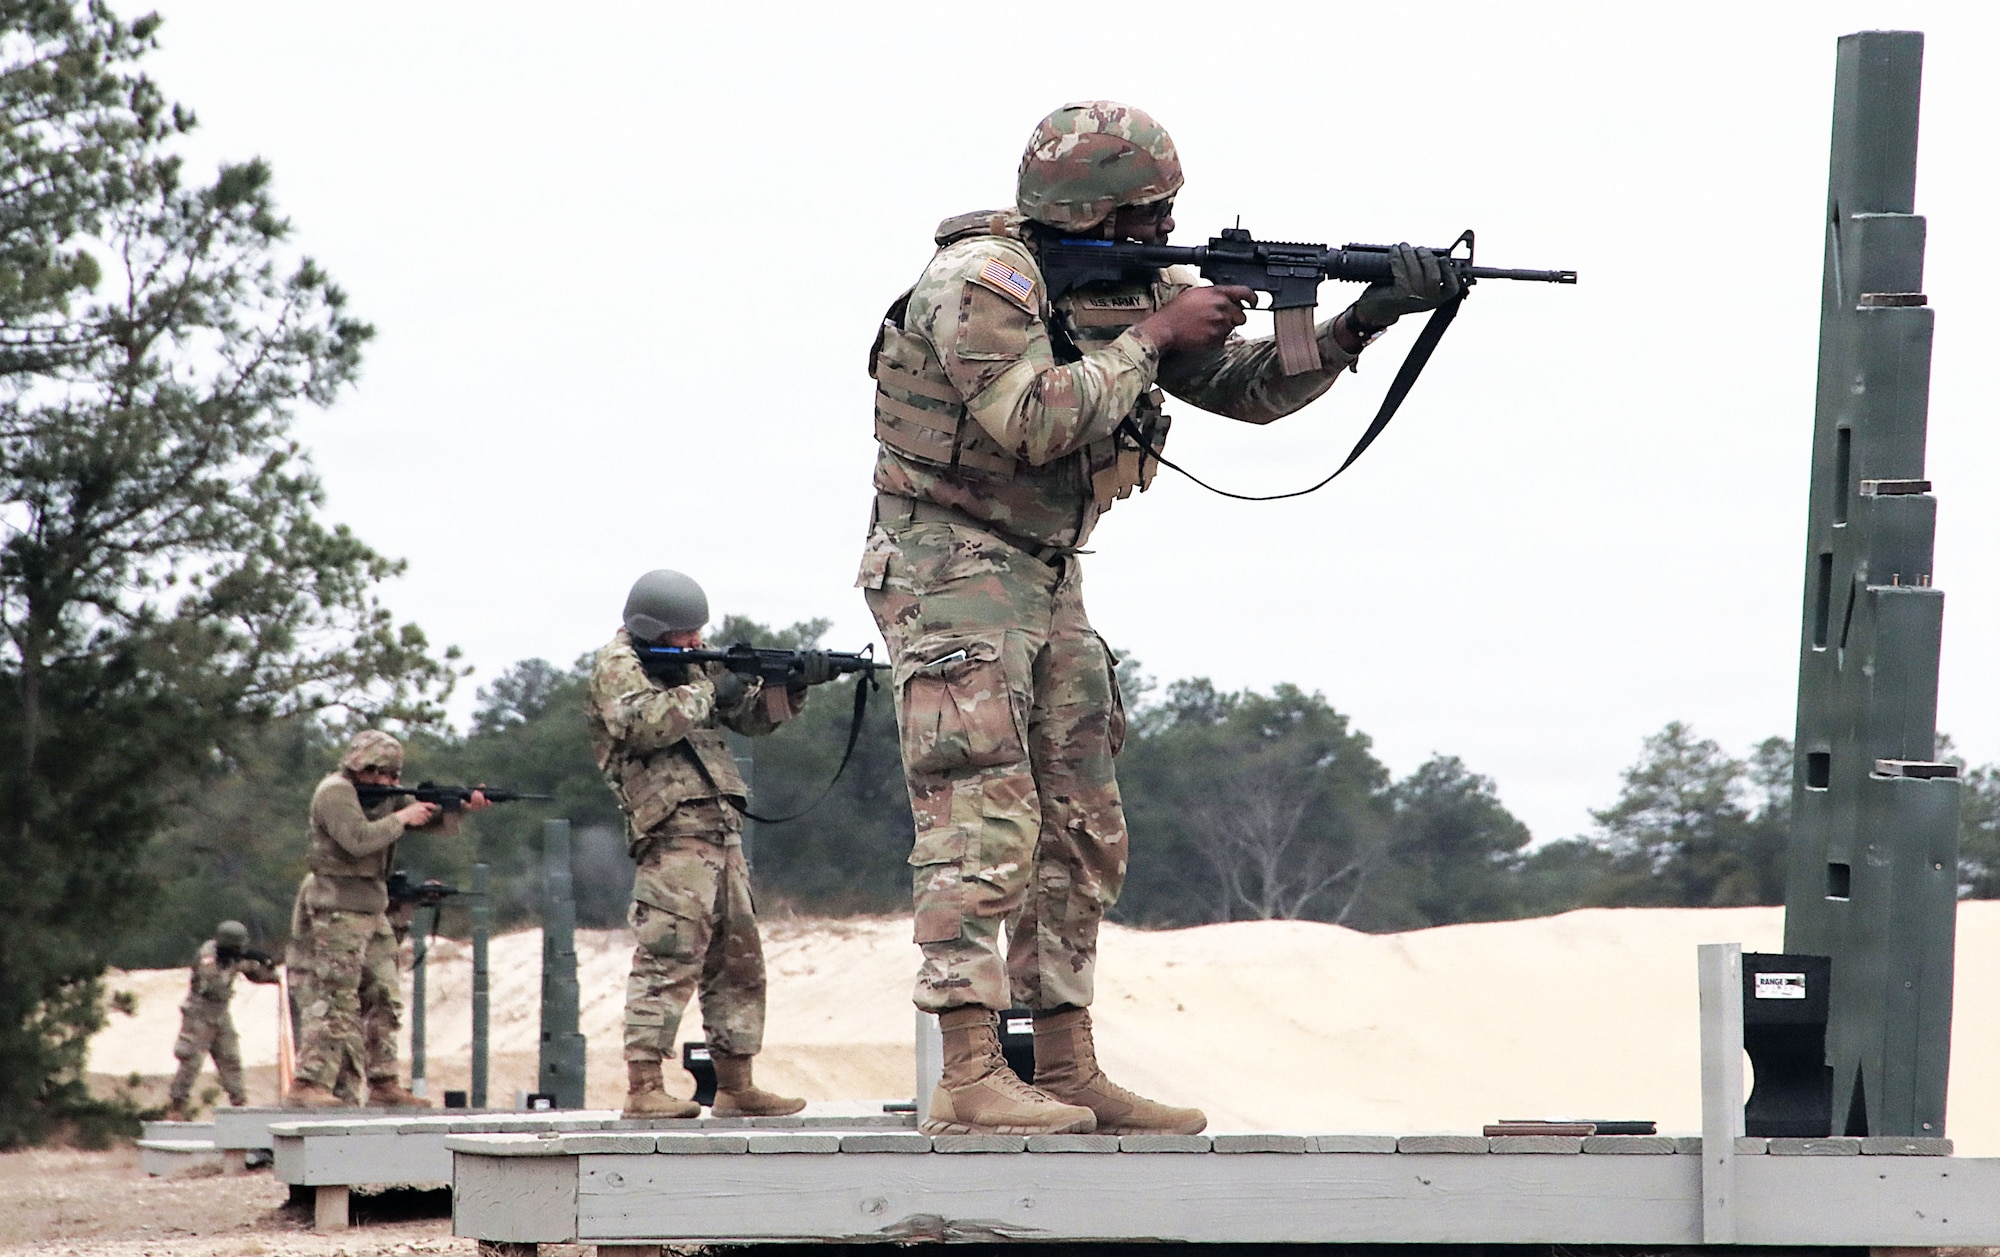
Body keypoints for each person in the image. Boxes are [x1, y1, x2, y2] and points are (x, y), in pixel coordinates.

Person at [857, 101, 1460, 1136]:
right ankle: (966, 1070)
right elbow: (1032, 418)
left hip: (1046, 569)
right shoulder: (982, 283)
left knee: (1080, 818)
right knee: (980, 809)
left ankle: (1061, 1062)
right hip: (946, 561)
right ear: (1085, 207)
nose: (1157, 233)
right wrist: (1150, 337)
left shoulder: (1128, 284)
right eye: (1142, 214)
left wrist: (1363, 317)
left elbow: (1254, 392)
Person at [588, 569, 808, 1119]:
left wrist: (792, 686)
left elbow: (750, 719)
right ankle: (644, 1088)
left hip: (718, 828)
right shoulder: (619, 667)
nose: (695, 642)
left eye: (697, 633)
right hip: (671, 832)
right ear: (651, 627)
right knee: (668, 955)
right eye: (686, 633)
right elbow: (642, 724)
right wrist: (711, 687)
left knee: (738, 958)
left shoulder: (689, 664)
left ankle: (736, 1084)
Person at [286, 729, 487, 1108]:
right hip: (338, 907)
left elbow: (425, 822)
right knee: (337, 998)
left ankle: (383, 1083)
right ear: (365, 767)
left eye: (396, 776)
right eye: (386, 775)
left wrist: (458, 807)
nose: (392, 783)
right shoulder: (335, 793)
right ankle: (308, 1083)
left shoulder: (378, 796)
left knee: (385, 994)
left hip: (371, 907)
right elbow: (357, 840)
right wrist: (404, 817)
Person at [164, 920, 279, 1119]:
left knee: (231, 1059)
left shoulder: (233, 958)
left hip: (221, 1013)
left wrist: (264, 965)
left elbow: (258, 975)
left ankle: (239, 1103)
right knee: (191, 1060)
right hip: (199, 1012)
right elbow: (212, 977)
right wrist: (241, 960)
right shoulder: (208, 954)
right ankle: (177, 1106)